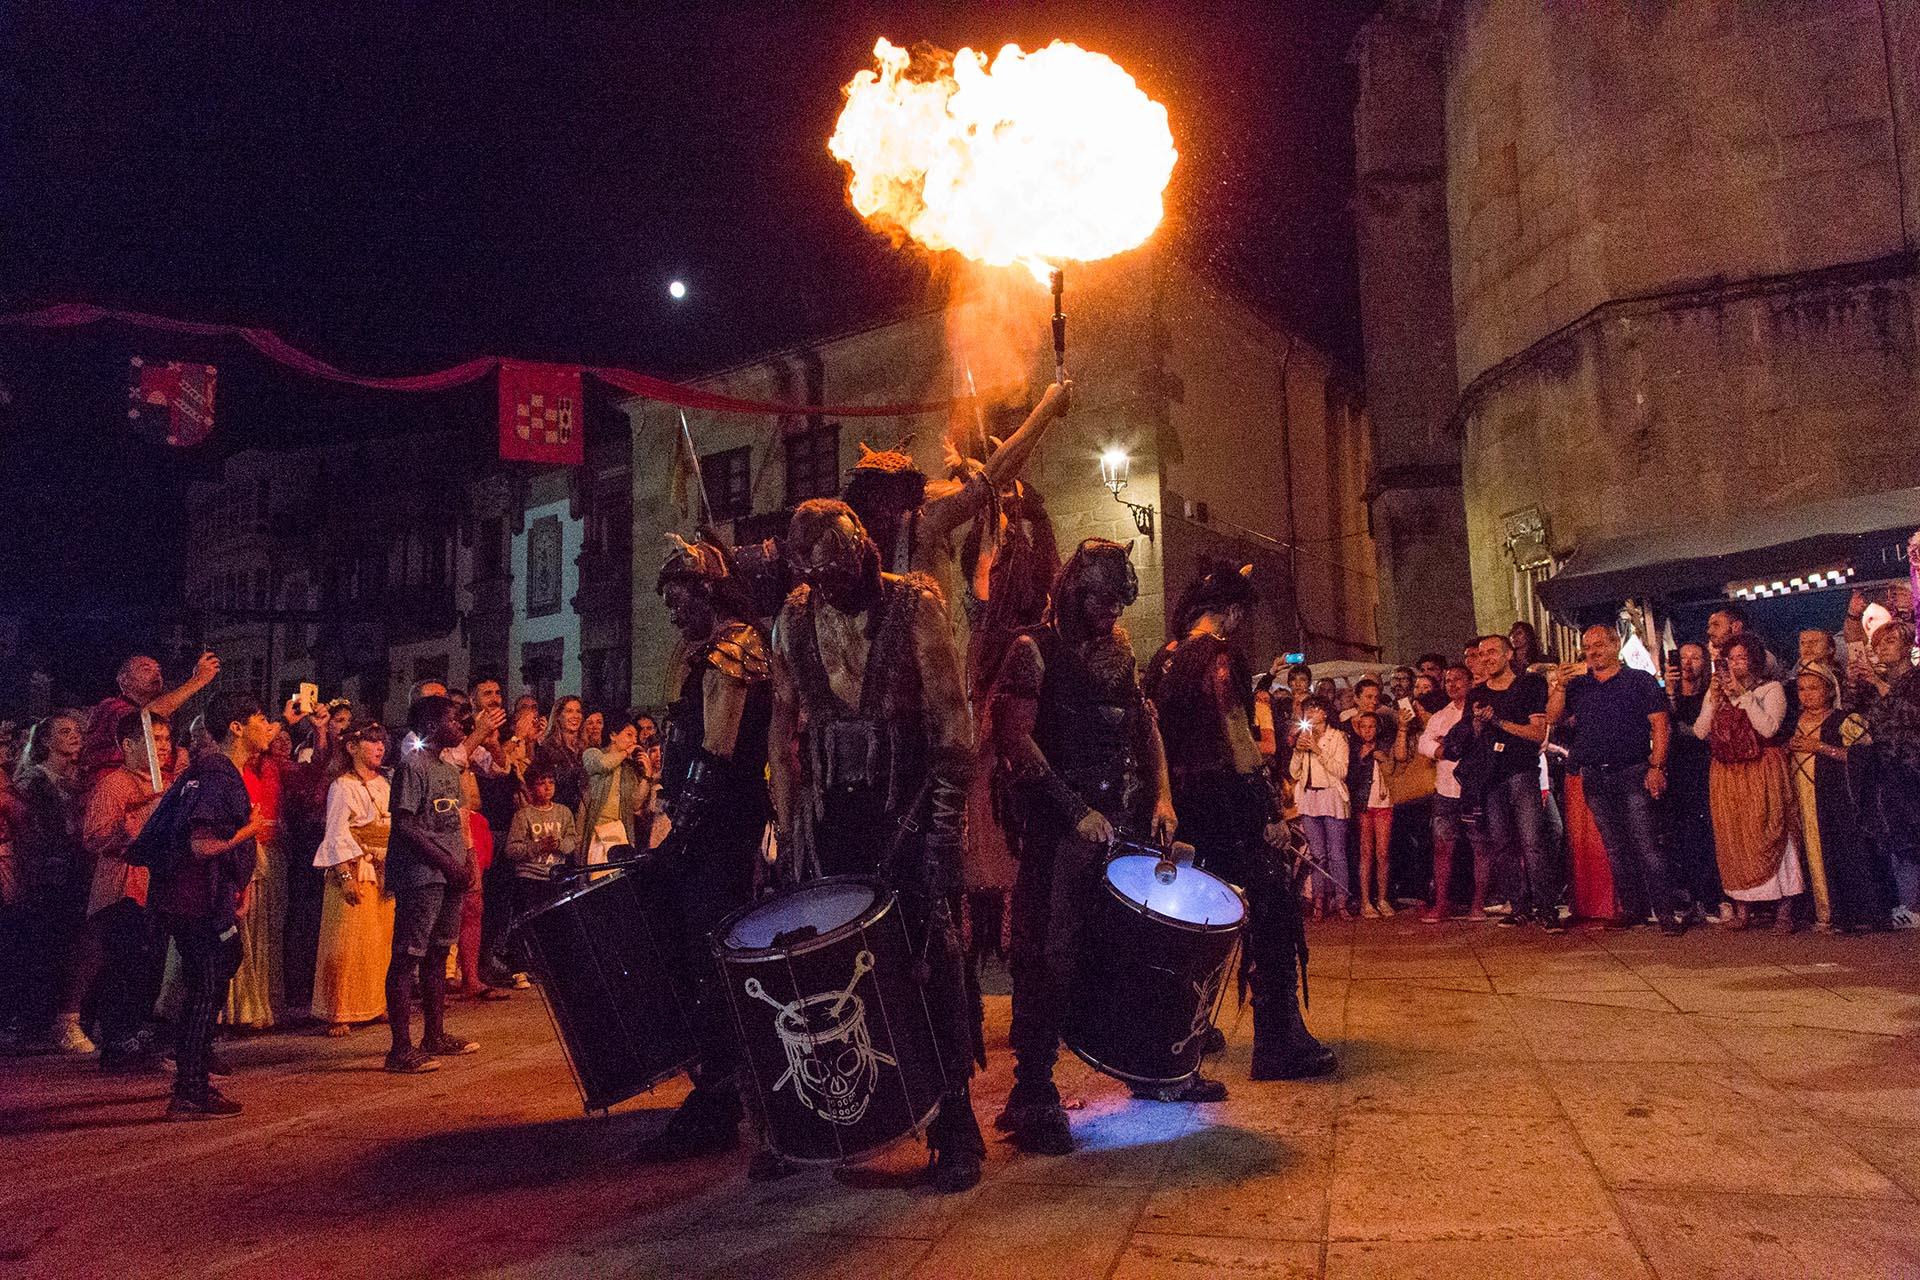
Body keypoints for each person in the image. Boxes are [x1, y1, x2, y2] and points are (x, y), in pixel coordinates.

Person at [768, 498, 985, 1193]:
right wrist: (787, 820)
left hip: (908, 808)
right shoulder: (794, 618)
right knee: (829, 964)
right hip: (831, 818)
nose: (833, 588)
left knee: (932, 954)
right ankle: (844, 1119)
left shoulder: (914, 604)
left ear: (863, 549)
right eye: (820, 578)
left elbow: (954, 721)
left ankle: (956, 1122)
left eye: (841, 572)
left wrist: (945, 831)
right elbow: (782, 725)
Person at [987, 538, 1179, 1151]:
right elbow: (1015, 739)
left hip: (1118, 819)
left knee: (1128, 946)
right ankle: (1033, 1090)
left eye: (1119, 605)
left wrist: (1162, 796)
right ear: (1075, 591)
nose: (1112, 616)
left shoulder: (1118, 652)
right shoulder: (1032, 651)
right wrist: (1074, 811)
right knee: (1047, 952)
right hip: (1057, 827)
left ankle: (1145, 1062)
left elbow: (1144, 724)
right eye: (1103, 602)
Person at [1145, 560, 1336, 1083]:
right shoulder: (1221, 657)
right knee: (1272, 898)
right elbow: (1238, 741)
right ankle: (1278, 1039)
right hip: (1224, 805)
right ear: (1228, 613)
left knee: (1188, 917)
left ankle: (1186, 1027)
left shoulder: (1162, 659)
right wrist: (1270, 811)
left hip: (1178, 808)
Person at [632, 531, 775, 1163]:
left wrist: (681, 831)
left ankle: (721, 1094)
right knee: (695, 951)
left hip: (721, 825)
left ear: (707, 590)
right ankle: (721, 1084)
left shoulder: (733, 650)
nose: (673, 609)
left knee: (713, 955)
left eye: (681, 596)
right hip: (705, 825)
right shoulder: (704, 651)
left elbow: (717, 756)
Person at [153, 692, 277, 1117]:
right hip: (195, 899)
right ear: (237, 727)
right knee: (206, 985)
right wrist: (251, 830)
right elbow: (203, 845)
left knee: (222, 962)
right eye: (261, 717)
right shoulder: (218, 775)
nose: (270, 726)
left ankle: (194, 1073)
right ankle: (189, 1089)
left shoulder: (211, 771)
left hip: (200, 897)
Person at [840, 381, 1069, 586]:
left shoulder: (861, 545)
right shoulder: (922, 523)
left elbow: (986, 483)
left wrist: (963, 469)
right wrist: (1045, 408)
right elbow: (991, 478)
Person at [1547, 625, 1684, 933]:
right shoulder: (1579, 686)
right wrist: (1558, 686)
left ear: (1614, 645)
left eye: (1598, 646)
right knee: (1615, 847)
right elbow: (1553, 717)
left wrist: (1657, 766)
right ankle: (1633, 908)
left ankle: (1665, 913)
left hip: (1632, 771)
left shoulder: (1639, 681)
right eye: (1587, 647)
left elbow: (1660, 726)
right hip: (1595, 775)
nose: (1592, 652)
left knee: (1646, 844)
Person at [384, 694, 479, 1074]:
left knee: (440, 952)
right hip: (422, 874)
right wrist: (446, 862)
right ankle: (400, 1047)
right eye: (455, 720)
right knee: (409, 955)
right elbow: (405, 825)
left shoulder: (449, 769)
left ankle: (435, 1034)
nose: (462, 727)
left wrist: (467, 861)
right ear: (430, 726)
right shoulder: (413, 765)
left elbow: (459, 820)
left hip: (450, 873)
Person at [78, 711, 178, 1070]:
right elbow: (94, 837)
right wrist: (136, 819)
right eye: (155, 740)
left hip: (156, 889)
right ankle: (116, 1042)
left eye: (166, 740)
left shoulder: (167, 783)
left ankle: (134, 1039)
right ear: (129, 745)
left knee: (149, 967)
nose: (162, 747)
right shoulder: (114, 785)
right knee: (126, 966)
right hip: (122, 890)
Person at [1693, 633, 1802, 932]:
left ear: (1754, 659)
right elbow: (1700, 731)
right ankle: (1743, 909)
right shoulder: (1716, 692)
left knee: (1771, 831)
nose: (1736, 665)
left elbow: (1768, 729)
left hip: (1761, 768)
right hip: (1727, 773)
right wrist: (1715, 701)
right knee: (1735, 838)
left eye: (1742, 658)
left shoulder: (1772, 689)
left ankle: (1784, 909)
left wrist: (1743, 696)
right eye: (1731, 659)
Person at [1465, 634, 1562, 930]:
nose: (1486, 658)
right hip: (1491, 776)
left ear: (1508, 654)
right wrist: (1479, 723)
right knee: (1502, 844)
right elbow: (1474, 737)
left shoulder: (1530, 684)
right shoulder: (1477, 693)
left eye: (1492, 651)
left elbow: (1537, 733)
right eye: (1482, 654)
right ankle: (1518, 905)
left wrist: (1500, 723)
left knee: (1533, 841)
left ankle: (1546, 908)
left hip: (1521, 770)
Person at [1787, 665, 1884, 933]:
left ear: (1829, 690)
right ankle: (1816, 911)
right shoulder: (1793, 721)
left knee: (1838, 850)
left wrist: (1819, 747)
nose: (1806, 695)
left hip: (1833, 800)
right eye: (1802, 688)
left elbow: (1863, 756)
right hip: (1800, 797)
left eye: (1814, 688)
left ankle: (1846, 913)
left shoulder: (1845, 720)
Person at [312, 722, 395, 1035]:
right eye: (371, 742)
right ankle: (339, 1010)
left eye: (381, 742)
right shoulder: (342, 785)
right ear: (352, 747)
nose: (379, 748)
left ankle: (374, 1004)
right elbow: (336, 833)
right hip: (354, 867)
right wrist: (345, 874)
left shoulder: (385, 784)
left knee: (377, 941)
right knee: (345, 940)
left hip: (382, 867)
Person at [13, 712, 88, 1053]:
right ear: (45, 741)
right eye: (64, 731)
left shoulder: (78, 780)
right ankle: (32, 1024)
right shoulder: (35, 781)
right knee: (42, 947)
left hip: (71, 872)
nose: (74, 736)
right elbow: (33, 833)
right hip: (45, 877)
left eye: (76, 730)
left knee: (68, 946)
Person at [224, 727, 290, 1029]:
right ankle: (227, 1009)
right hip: (242, 851)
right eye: (266, 725)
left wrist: (321, 734)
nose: (275, 734)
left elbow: (313, 773)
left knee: (263, 931)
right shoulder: (231, 770)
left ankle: (254, 1004)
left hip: (268, 851)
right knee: (240, 930)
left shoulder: (273, 769)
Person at [1855, 619, 1920, 924]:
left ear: (1907, 646)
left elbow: (1911, 715)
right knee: (1898, 839)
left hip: (1913, 768)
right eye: (1878, 643)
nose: (1882, 648)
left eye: (1890, 642)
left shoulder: (1915, 680)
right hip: (1887, 771)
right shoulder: (1873, 685)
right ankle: (1908, 905)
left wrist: (1881, 687)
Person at [78, 651, 220, 789]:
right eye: (146, 669)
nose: (156, 673)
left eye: (158, 670)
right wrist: (198, 680)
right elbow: (143, 720)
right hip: (112, 792)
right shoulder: (110, 707)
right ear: (124, 679)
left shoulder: (164, 717)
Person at [1418, 663, 1489, 921]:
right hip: (1445, 789)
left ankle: (1478, 904)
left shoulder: (1480, 710)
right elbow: (1425, 742)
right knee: (1442, 846)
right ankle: (1441, 903)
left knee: (1480, 846)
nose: (1453, 685)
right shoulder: (1440, 715)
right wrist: (1440, 750)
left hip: (1474, 790)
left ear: (1470, 682)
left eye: (1458, 680)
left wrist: (1448, 741)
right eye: (1448, 681)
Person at [1663, 642, 1723, 922]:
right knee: (1680, 834)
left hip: (1704, 767)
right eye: (1682, 657)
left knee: (1706, 833)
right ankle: (1688, 896)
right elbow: (1663, 725)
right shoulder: (1667, 695)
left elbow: (1706, 732)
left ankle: (1711, 896)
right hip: (1676, 769)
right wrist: (1671, 693)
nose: (1687, 663)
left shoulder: (1709, 695)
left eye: (1694, 657)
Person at [1291, 696, 1351, 919]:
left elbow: (1341, 771)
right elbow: (1294, 772)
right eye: (1308, 710)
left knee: (1337, 853)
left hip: (1332, 797)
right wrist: (1298, 751)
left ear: (1325, 713)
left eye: (1316, 709)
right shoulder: (1303, 738)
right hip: (1309, 798)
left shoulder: (1337, 737)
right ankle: (1319, 901)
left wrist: (1317, 750)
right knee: (1317, 855)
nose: (1312, 713)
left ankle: (1342, 901)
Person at [503, 762, 577, 916]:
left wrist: (559, 844)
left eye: (551, 782)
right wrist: (538, 846)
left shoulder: (563, 812)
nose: (548, 787)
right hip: (530, 877)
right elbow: (511, 850)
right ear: (531, 788)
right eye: (541, 783)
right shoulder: (523, 815)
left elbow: (572, 841)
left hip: (556, 876)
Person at [1348, 710, 1402, 918]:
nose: (1368, 730)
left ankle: (1382, 898)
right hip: (1364, 805)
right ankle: (1365, 901)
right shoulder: (1355, 750)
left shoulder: (1386, 745)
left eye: (1371, 726)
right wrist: (1361, 759)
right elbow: (1350, 779)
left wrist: (1382, 758)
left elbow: (1395, 767)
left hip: (1384, 804)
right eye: (1364, 726)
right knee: (1366, 853)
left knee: (1383, 853)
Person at [577, 714, 642, 863]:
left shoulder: (628, 768)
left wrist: (647, 777)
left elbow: (636, 803)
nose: (634, 741)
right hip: (596, 830)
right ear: (613, 735)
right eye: (629, 735)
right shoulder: (593, 754)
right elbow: (603, 764)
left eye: (635, 737)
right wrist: (625, 753)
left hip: (619, 831)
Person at [537, 696, 588, 814]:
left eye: (578, 711)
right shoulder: (547, 748)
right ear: (558, 716)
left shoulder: (586, 748)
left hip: (582, 815)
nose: (575, 716)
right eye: (569, 711)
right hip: (556, 814)